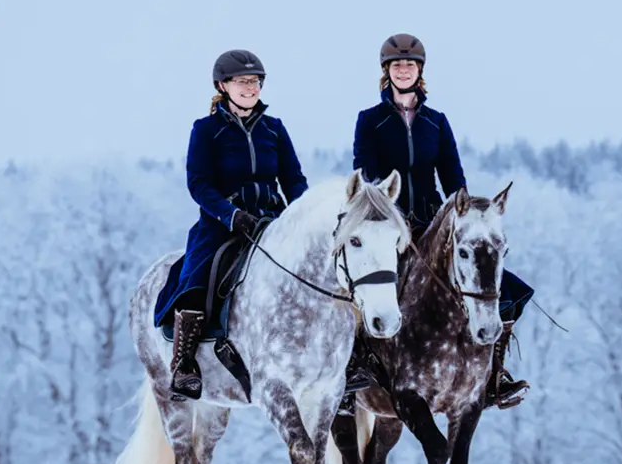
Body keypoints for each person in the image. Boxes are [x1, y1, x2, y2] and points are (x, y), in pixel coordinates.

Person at [347, 33, 534, 410]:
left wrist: (461, 215)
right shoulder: (370, 121)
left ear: (419, 71)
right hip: (392, 227)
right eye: (397, 65)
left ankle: (495, 375)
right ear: (387, 72)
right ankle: (353, 368)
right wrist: (394, 216)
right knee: (368, 287)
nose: (404, 70)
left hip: (436, 225)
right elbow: (366, 175)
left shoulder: (436, 122)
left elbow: (453, 177)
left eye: (410, 65)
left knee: (507, 289)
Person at [152, 48, 309, 402]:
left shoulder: (274, 129)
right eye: (243, 82)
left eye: (255, 82)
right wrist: (231, 215)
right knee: (197, 277)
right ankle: (185, 364)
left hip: (271, 221)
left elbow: (294, 179)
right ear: (223, 85)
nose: (251, 88)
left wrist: (301, 214)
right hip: (222, 223)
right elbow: (199, 183)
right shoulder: (207, 130)